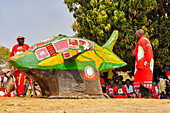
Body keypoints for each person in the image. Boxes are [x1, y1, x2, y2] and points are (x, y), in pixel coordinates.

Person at [132, 29, 154, 98]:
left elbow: (140, 54)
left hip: (143, 65)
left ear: (139, 34)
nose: (136, 36)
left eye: (136, 34)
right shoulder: (147, 41)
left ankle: (146, 96)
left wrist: (139, 65)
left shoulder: (141, 41)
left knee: (142, 80)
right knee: (145, 80)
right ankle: (146, 96)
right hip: (148, 64)